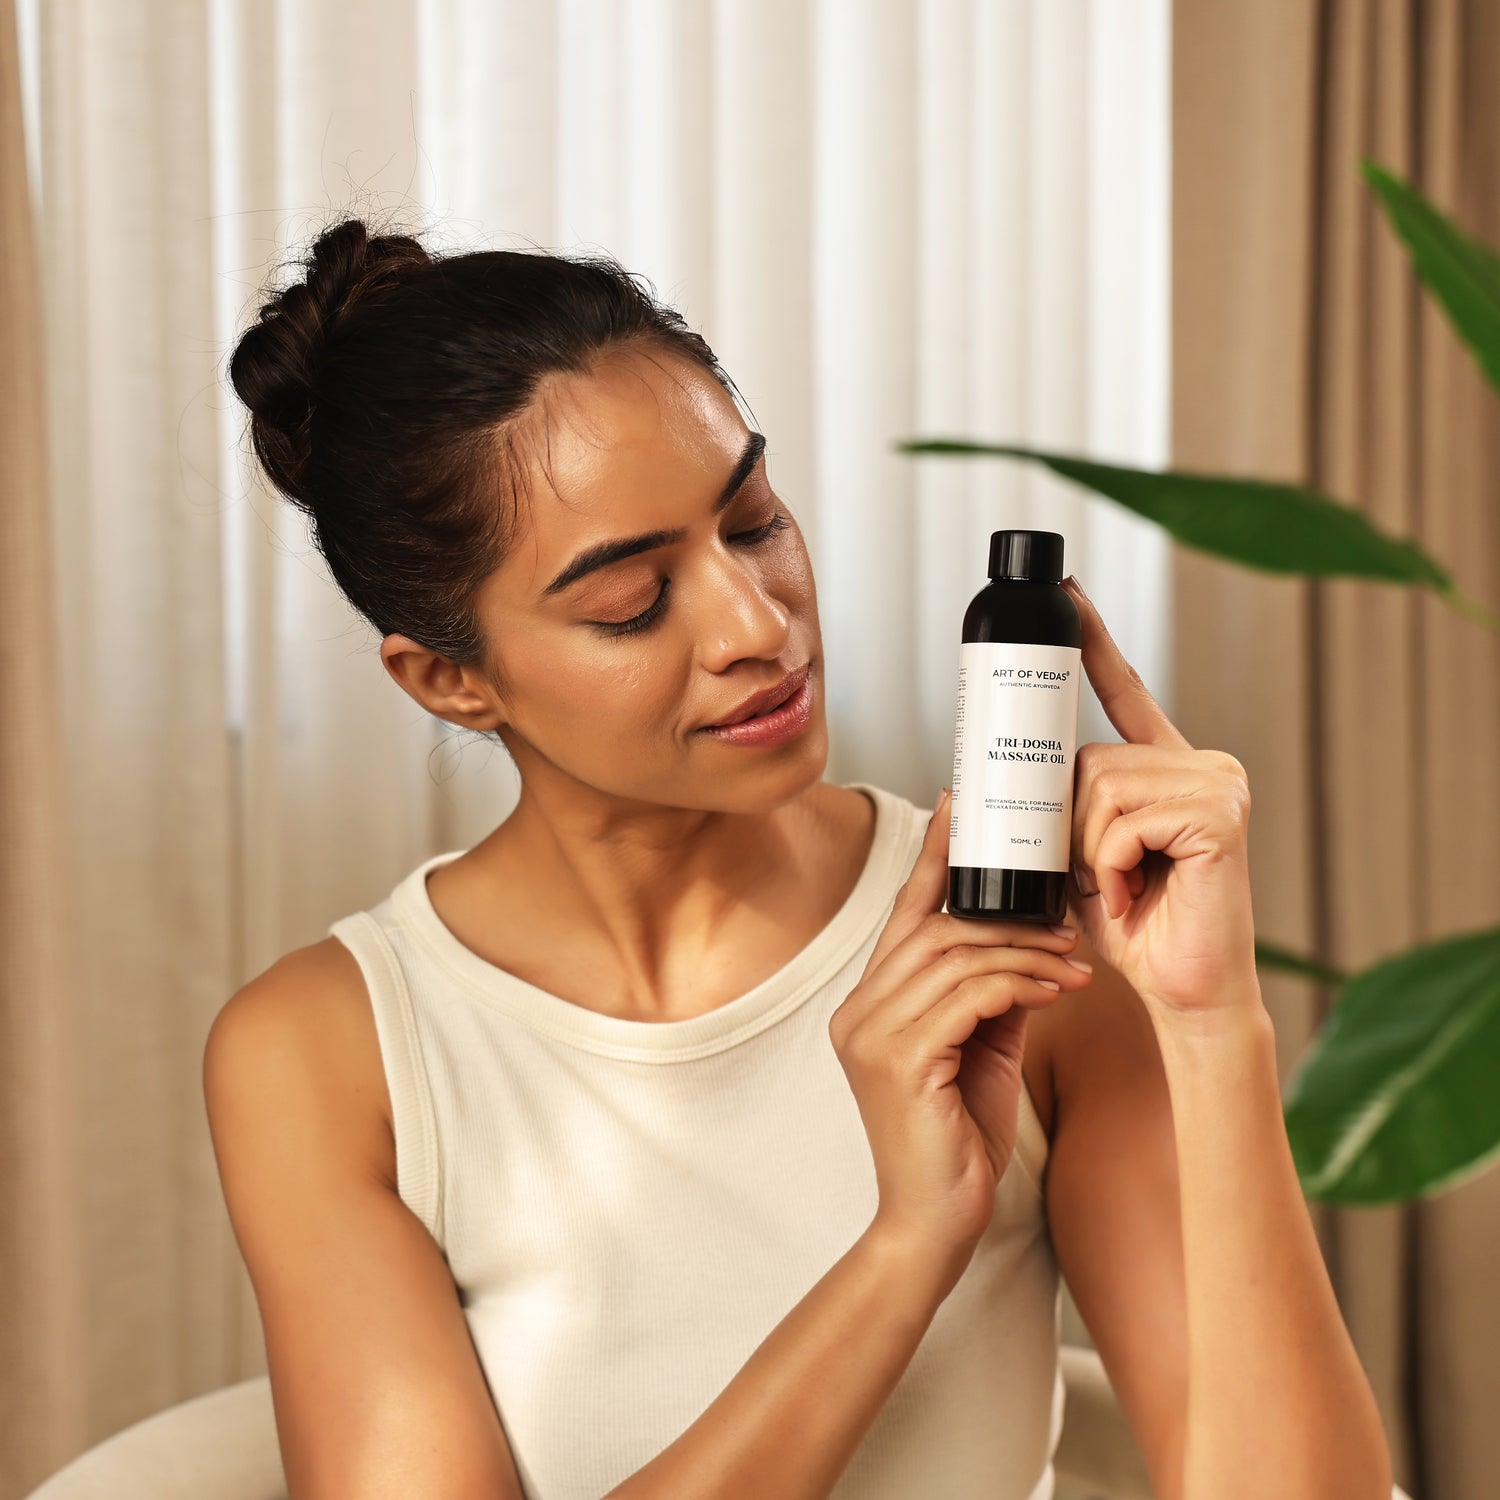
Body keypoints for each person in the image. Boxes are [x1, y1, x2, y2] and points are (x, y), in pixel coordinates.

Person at [203, 219, 1394, 1500]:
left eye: (754, 522)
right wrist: (906, 1245)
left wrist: (1212, 1026)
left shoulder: (1023, 951)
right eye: (631, 604)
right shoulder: (329, 1053)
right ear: (451, 680)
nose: (756, 625)